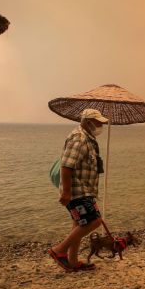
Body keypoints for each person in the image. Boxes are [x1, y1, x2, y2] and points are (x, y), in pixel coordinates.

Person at [48, 108, 108, 272]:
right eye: (98, 123)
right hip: (77, 192)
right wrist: (66, 192)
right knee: (94, 221)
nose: (100, 126)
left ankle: (72, 262)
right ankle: (59, 250)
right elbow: (66, 166)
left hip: (84, 190)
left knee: (79, 223)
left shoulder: (88, 138)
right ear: (88, 122)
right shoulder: (80, 138)